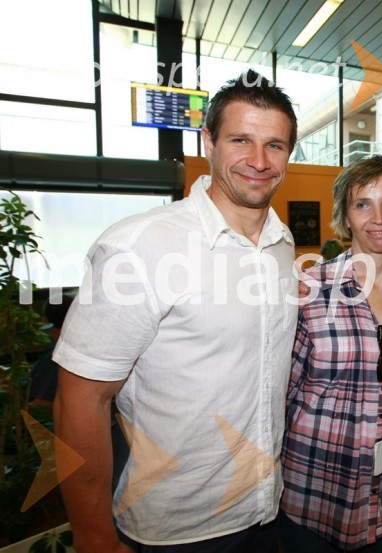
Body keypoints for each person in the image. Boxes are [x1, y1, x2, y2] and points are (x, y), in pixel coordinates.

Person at [53, 69, 298, 552]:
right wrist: (94, 537)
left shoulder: (282, 244)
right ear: (207, 141)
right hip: (176, 527)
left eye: (275, 145)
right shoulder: (140, 246)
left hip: (264, 509)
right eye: (241, 139)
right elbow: (79, 400)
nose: (258, 160)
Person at [279, 155, 382, 552]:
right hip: (317, 485)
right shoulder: (310, 288)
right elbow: (282, 391)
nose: (378, 217)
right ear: (345, 215)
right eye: (363, 204)